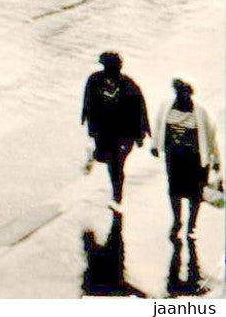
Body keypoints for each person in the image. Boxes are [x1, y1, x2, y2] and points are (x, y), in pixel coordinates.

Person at [150, 76, 221, 239]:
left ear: (190, 93)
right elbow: (159, 124)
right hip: (174, 158)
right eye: (179, 93)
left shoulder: (201, 112)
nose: (182, 96)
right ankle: (177, 221)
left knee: (195, 194)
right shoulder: (167, 106)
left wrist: (216, 160)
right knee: (174, 191)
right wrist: (155, 145)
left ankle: (192, 226)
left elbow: (212, 137)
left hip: (196, 160)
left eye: (185, 93)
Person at [81, 51, 149, 209]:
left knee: (116, 164)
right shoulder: (95, 80)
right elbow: (89, 104)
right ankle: (95, 155)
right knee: (107, 159)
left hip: (123, 134)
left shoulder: (128, 85)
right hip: (104, 132)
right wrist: (91, 128)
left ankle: (117, 196)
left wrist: (140, 135)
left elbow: (140, 110)